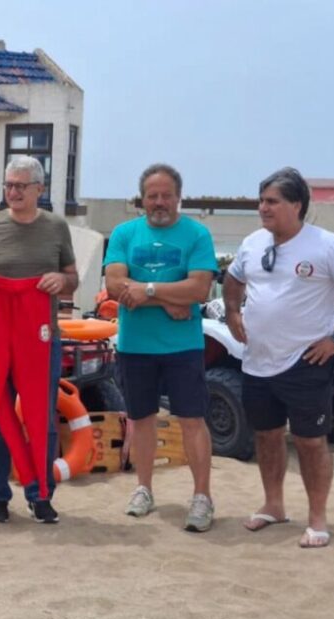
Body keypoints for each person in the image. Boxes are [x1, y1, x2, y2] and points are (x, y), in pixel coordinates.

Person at [0, 155, 78, 524]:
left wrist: (62, 282)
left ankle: (40, 494)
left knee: (42, 417)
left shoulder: (57, 227)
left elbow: (72, 277)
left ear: (39, 190)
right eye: (8, 185)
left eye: (20, 186)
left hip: (43, 337)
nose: (12, 192)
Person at [225, 167, 334, 548]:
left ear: (297, 205)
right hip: (257, 360)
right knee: (267, 435)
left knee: (309, 441)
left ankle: (317, 519)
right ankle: (274, 505)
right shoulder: (254, 242)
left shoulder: (325, 246)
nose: (263, 208)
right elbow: (234, 278)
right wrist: (233, 313)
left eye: (272, 201)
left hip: (306, 362)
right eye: (261, 201)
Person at [104, 163, 218, 532]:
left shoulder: (197, 234)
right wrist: (170, 300)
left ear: (178, 197)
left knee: (192, 420)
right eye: (152, 196)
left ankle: (202, 497)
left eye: (166, 195)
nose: (159, 202)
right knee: (141, 420)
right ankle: (144, 488)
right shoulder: (124, 233)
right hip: (136, 345)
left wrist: (149, 291)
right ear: (143, 199)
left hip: (182, 346)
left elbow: (200, 289)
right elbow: (116, 286)